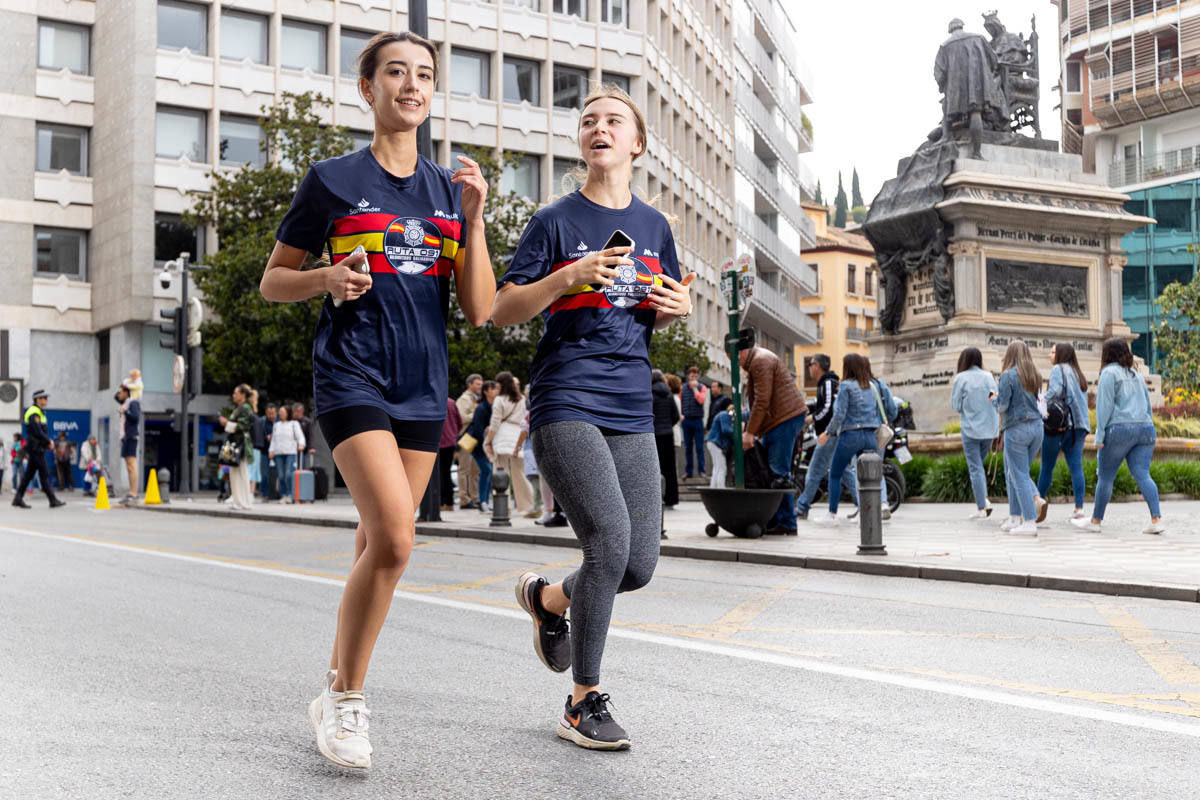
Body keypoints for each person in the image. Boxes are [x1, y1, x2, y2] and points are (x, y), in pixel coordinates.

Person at [260, 29, 495, 771]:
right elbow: (273, 280)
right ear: (369, 89)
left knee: (374, 543)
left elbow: (480, 308)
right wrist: (326, 279)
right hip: (351, 375)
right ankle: (349, 702)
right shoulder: (331, 179)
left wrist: (477, 215)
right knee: (395, 538)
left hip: (424, 387)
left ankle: (333, 683)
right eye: (396, 72)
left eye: (424, 74)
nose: (412, 85)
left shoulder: (447, 191)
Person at [491, 82, 693, 751]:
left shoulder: (657, 228)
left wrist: (672, 311)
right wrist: (568, 276)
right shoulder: (554, 222)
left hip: (631, 403)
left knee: (636, 566)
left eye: (613, 121)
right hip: (566, 396)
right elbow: (504, 308)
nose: (598, 128)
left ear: (637, 143)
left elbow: (648, 317)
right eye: (588, 121)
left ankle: (549, 600)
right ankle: (583, 699)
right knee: (607, 541)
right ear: (582, 142)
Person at [1071, 339, 1163, 534]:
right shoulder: (1136, 375)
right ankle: (1156, 519)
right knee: (1143, 474)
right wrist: (1149, 426)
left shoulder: (1108, 373)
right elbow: (1147, 406)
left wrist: (1099, 437)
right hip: (1145, 429)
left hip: (1120, 430)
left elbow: (1104, 408)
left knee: (1105, 477)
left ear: (1107, 354)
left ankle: (1096, 521)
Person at [812, 354, 895, 526]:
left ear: (847, 366)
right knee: (868, 477)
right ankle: (867, 512)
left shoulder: (846, 386)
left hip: (851, 436)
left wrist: (827, 433)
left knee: (835, 474)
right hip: (871, 436)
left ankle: (832, 515)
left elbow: (839, 414)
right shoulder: (872, 386)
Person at [738, 328, 807, 534]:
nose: (737, 364)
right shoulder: (759, 359)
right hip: (780, 420)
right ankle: (777, 519)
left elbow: (762, 400)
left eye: (734, 358)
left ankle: (787, 523)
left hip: (783, 420)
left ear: (741, 352)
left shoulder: (760, 361)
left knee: (778, 473)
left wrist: (750, 432)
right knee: (773, 471)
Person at [795, 354, 860, 521]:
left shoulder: (828, 382)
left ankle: (802, 507)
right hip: (836, 434)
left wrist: (813, 418)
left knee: (815, 470)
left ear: (818, 366)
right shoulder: (827, 383)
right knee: (844, 471)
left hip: (828, 435)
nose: (809, 368)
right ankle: (863, 504)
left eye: (810, 364)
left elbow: (829, 408)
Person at [993, 340, 1048, 535]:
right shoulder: (1035, 374)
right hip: (1036, 428)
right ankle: (1014, 517)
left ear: (1009, 354)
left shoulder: (1008, 376)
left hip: (1017, 429)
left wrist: (993, 399)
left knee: (1019, 474)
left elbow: (1002, 406)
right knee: (1014, 473)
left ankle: (1029, 522)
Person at [1038, 343, 1091, 521]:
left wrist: (1039, 401)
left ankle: (1038, 505)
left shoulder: (1058, 369)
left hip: (1060, 426)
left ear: (1060, 354)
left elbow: (1054, 392)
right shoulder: (1078, 372)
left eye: (1053, 352)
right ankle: (1079, 508)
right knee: (1076, 467)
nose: (1049, 355)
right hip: (1079, 427)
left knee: (1047, 467)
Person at [950, 347, 999, 519]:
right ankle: (983, 500)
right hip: (989, 430)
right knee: (978, 466)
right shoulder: (988, 377)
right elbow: (995, 400)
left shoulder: (961, 378)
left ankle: (982, 506)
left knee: (975, 468)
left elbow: (955, 405)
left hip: (971, 429)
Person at [484, 371, 534, 514]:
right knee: (520, 473)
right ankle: (528, 505)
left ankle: (503, 507)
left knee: (500, 471)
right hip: (516, 435)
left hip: (502, 435)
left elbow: (495, 423)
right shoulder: (521, 399)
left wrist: (488, 441)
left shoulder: (499, 400)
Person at [12, 390, 65, 509]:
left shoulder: (40, 412)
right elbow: (36, 431)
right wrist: (49, 441)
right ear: (38, 399)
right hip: (35, 448)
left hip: (37, 447)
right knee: (44, 474)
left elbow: (40, 431)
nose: (46, 400)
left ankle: (18, 498)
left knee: (28, 475)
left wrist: (46, 443)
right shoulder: (34, 412)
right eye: (44, 398)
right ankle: (52, 500)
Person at [217, 385, 257, 510]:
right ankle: (238, 500)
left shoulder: (245, 408)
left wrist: (226, 423)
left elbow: (243, 426)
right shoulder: (241, 407)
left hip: (241, 443)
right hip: (237, 443)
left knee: (240, 472)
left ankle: (243, 501)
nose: (233, 395)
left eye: (236, 393)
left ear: (242, 395)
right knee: (235, 473)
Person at [466, 380, 498, 513]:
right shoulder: (481, 408)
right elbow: (478, 430)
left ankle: (484, 500)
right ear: (486, 392)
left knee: (489, 471)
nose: (496, 391)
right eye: (493, 389)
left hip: (488, 445)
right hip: (479, 446)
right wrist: (487, 446)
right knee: (486, 470)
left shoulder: (494, 406)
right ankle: (482, 501)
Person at [652, 369, 681, 507]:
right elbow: (675, 416)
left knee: (655, 467)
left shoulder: (650, 394)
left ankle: (656, 498)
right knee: (670, 468)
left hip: (655, 435)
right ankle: (671, 498)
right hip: (668, 434)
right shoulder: (669, 395)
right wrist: (668, 425)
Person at [456, 375, 482, 510]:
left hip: (475, 437)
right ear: (469, 384)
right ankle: (464, 500)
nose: (480, 386)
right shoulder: (464, 399)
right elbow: (462, 418)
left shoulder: (477, 398)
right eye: (477, 384)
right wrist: (476, 413)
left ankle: (474, 497)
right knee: (464, 468)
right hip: (466, 437)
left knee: (475, 470)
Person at [270, 404, 305, 503]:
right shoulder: (276, 425)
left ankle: (290, 494)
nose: (280, 414)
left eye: (282, 412)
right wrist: (271, 450)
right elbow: (273, 440)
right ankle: (283, 495)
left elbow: (300, 436)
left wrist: (301, 445)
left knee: (288, 474)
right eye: (280, 412)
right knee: (280, 475)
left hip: (290, 452)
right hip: (278, 453)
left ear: (288, 413)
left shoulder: (294, 424)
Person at [680, 365, 707, 478]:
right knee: (688, 448)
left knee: (700, 447)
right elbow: (680, 402)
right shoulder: (683, 388)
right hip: (686, 421)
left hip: (697, 420)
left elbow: (701, 400)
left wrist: (695, 389)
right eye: (692, 376)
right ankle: (688, 471)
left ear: (698, 376)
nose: (693, 378)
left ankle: (702, 471)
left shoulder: (702, 387)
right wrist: (681, 415)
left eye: (696, 376)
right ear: (688, 376)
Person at [116, 382, 141, 504]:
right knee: (128, 465)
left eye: (121, 392)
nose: (118, 394)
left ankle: (134, 493)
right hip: (125, 437)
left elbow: (136, 418)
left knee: (131, 464)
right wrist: (123, 385)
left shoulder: (133, 403)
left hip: (131, 437)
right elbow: (115, 397)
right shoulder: (125, 403)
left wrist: (124, 411)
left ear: (126, 393)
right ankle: (132, 492)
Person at [438, 396, 461, 511]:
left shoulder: (432, 400)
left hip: (438, 442)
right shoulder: (452, 402)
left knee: (439, 474)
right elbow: (459, 422)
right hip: (451, 442)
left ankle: (441, 502)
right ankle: (449, 502)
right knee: (446, 472)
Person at [704, 404, 733, 488]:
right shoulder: (725, 415)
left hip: (713, 443)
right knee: (721, 468)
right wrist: (738, 433)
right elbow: (726, 430)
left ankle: (713, 488)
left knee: (717, 468)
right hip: (716, 443)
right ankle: (721, 489)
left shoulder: (724, 414)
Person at [260, 403, 278, 500]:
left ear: (276, 413)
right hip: (264, 451)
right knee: (264, 474)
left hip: (277, 452)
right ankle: (265, 494)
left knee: (278, 474)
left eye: (273, 414)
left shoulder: (279, 421)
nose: (271, 416)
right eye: (269, 414)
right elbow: (258, 435)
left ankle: (277, 494)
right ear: (266, 413)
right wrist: (266, 438)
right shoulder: (262, 421)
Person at [292, 403, 317, 469]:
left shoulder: (307, 422)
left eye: (299, 412)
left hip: (302, 450)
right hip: (290, 449)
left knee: (301, 467)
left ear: (302, 412)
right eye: (295, 411)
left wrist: (311, 447)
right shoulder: (290, 421)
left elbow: (310, 435)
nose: (297, 413)